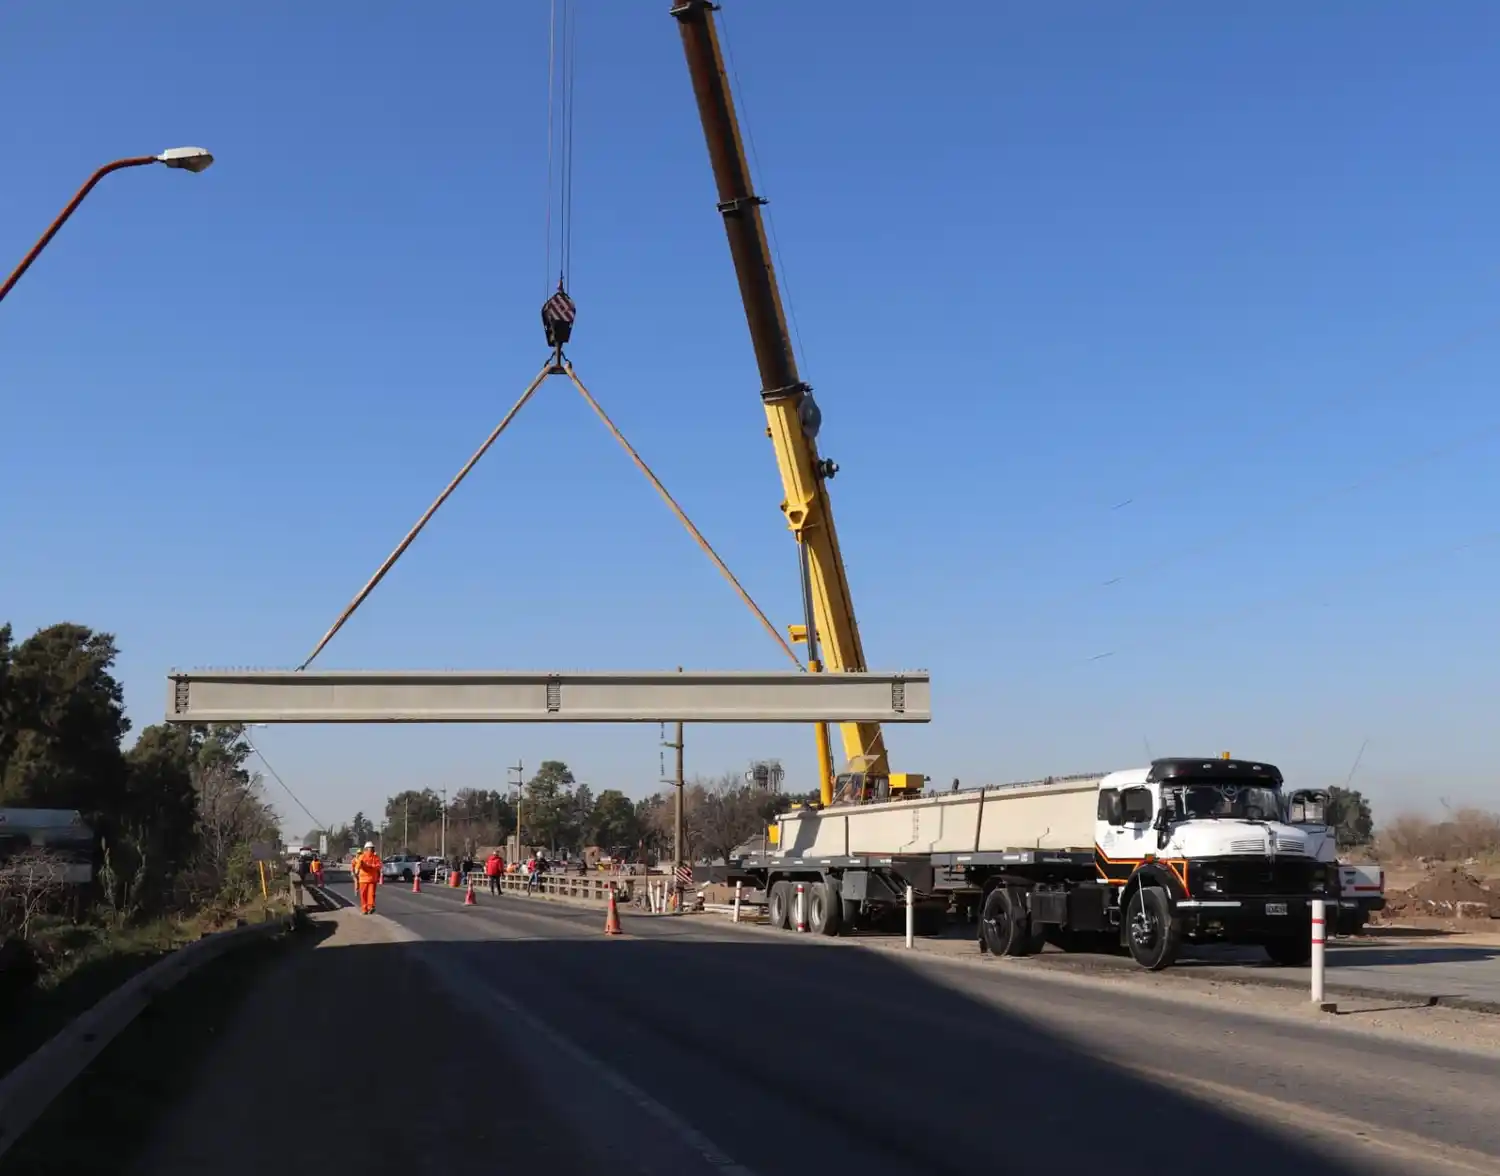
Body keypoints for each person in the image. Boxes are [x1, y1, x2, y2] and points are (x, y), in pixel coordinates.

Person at [353, 841, 383, 914]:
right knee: (364, 895)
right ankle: (365, 909)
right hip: (364, 879)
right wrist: (356, 870)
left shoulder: (375, 857)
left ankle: (370, 907)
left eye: (372, 848)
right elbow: (358, 864)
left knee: (371, 894)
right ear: (366, 849)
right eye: (370, 848)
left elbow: (379, 865)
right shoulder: (362, 856)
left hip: (371, 879)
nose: (371, 849)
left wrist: (371, 867)